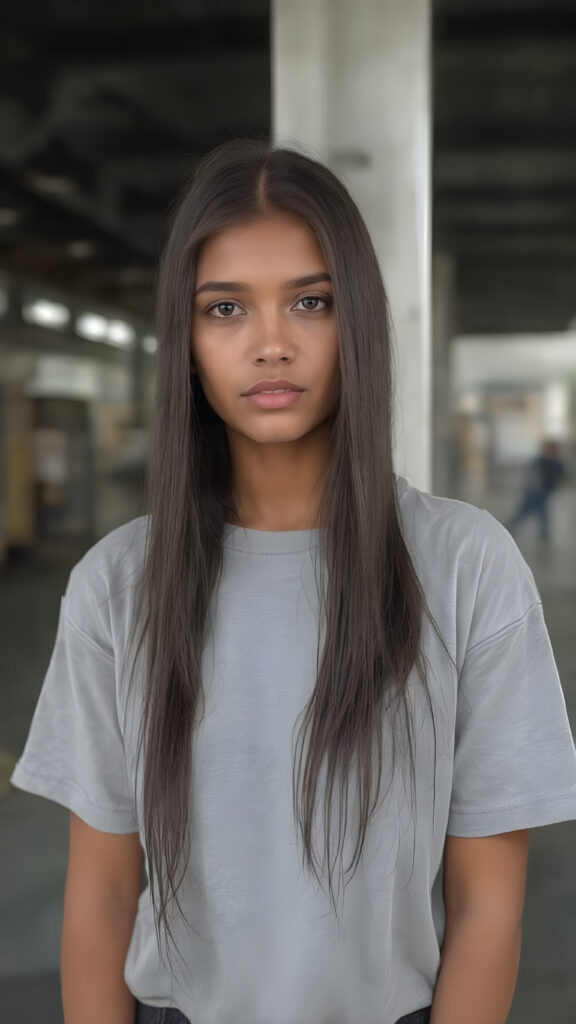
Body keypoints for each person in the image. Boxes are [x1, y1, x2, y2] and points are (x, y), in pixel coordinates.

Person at [11, 140, 576, 1024]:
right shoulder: (117, 586)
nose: (271, 344)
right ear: (186, 342)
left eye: (311, 302)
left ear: (358, 323)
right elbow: (103, 897)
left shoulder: (467, 565)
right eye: (225, 308)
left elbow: (487, 907)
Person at [506, 439, 567, 543]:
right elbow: (530, 475)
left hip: (544, 493)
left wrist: (558, 486)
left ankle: (544, 538)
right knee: (523, 514)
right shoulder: (538, 460)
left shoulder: (557, 463)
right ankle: (508, 529)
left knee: (542, 517)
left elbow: (561, 477)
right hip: (532, 492)